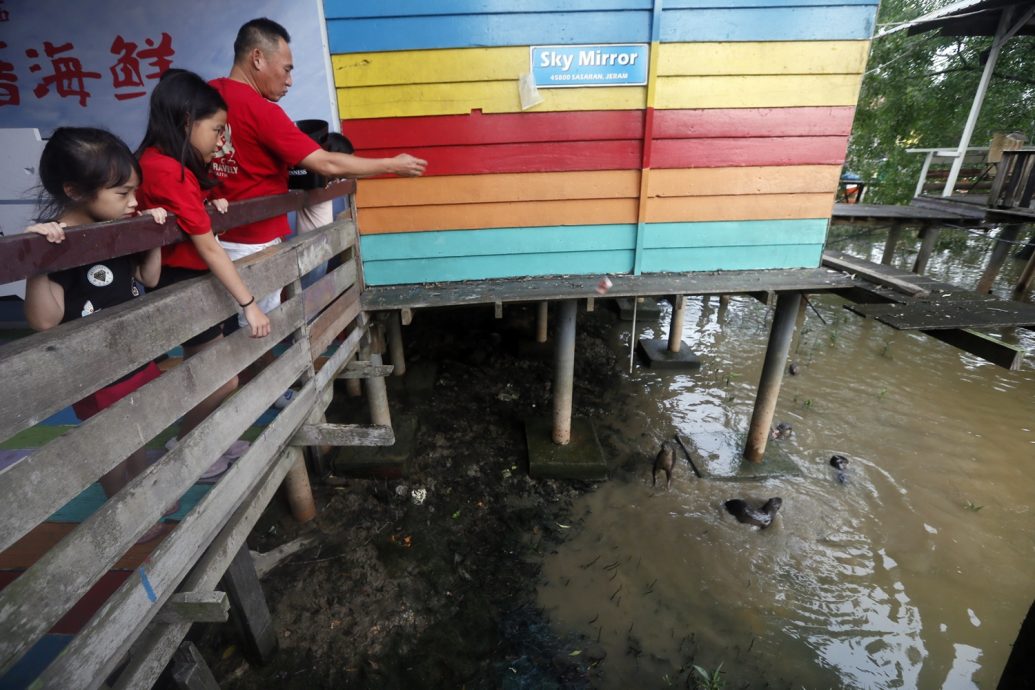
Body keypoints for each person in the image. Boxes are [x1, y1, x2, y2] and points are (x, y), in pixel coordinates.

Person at [210, 17, 427, 331]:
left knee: (223, 337)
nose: (289, 81)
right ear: (257, 58)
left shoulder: (205, 97)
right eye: (286, 69)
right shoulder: (262, 111)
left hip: (211, 241)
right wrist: (392, 164)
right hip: (255, 245)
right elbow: (327, 164)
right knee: (256, 338)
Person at [23, 127, 168, 504]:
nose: (134, 201)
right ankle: (120, 504)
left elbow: (147, 279)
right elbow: (44, 321)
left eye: (134, 191)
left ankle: (141, 493)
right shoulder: (59, 242)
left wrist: (152, 236)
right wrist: (37, 258)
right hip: (95, 371)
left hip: (135, 355)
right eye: (123, 193)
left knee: (136, 431)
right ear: (74, 191)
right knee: (108, 444)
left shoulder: (116, 228)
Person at [135, 68, 270, 460]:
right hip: (182, 281)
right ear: (186, 122)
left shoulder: (164, 163)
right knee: (220, 381)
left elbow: (188, 218)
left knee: (209, 375)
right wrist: (249, 303)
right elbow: (209, 247)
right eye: (215, 129)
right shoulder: (165, 169)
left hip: (191, 279)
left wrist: (205, 204)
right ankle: (188, 449)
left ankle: (209, 444)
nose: (220, 140)